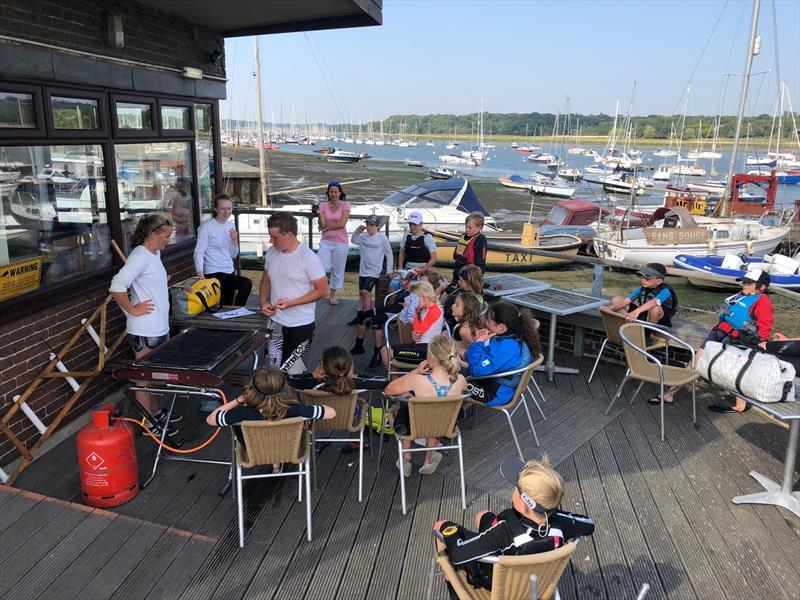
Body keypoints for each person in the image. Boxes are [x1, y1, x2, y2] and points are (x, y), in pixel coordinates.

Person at [433, 455, 594, 593]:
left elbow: (457, 554)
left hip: (497, 584)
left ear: (524, 503)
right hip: (536, 583)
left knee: (441, 526)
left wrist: (451, 534)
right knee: (482, 515)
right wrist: (558, 513)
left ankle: (450, 577)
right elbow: (589, 524)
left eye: (516, 488)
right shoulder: (559, 521)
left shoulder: (502, 532)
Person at [109, 214, 180, 437]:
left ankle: (156, 412)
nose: (169, 240)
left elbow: (147, 281)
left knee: (151, 375)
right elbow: (117, 285)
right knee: (143, 378)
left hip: (158, 325)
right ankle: (148, 423)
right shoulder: (140, 255)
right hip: (144, 328)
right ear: (153, 234)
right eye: (166, 236)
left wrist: (162, 281)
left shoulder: (154, 253)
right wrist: (132, 309)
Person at [206, 366, 335, 472]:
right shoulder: (295, 410)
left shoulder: (242, 414)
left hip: (253, 451)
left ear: (252, 389)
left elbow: (211, 419)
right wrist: (309, 415)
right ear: (284, 388)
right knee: (283, 433)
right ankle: (276, 464)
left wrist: (240, 399)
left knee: (263, 437)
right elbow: (331, 413)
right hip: (288, 448)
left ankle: (275, 464)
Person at [385, 335, 468, 476]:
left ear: (431, 357)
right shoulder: (460, 380)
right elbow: (464, 389)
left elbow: (388, 390)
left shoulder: (418, 380)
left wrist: (414, 372)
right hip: (444, 426)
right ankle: (429, 458)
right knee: (437, 409)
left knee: (407, 400)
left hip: (417, 427)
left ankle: (406, 457)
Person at [259, 213, 329, 371]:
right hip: (275, 321)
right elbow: (266, 280)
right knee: (271, 372)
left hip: (300, 324)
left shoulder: (308, 257)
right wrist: (263, 301)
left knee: (294, 373)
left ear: (289, 235)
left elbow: (323, 290)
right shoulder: (271, 252)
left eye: (274, 237)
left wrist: (292, 303)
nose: (271, 241)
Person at [705, 269, 774, 413]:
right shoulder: (741, 296)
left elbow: (765, 323)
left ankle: (740, 405)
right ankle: (671, 392)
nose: (744, 285)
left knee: (733, 369)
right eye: (744, 282)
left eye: (749, 283)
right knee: (699, 357)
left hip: (737, 338)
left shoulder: (763, 301)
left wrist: (764, 341)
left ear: (761, 287)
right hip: (720, 331)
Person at [465, 301, 541, 406]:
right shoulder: (513, 337)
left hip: (494, 394)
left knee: (453, 378)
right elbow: (486, 357)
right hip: (498, 384)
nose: (485, 323)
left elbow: (476, 370)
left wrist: (478, 343)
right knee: (458, 368)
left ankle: (457, 415)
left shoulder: (506, 348)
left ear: (501, 327)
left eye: (488, 321)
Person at [193, 193, 252, 306]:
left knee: (227, 303)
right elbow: (199, 252)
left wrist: (234, 241)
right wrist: (200, 272)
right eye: (222, 209)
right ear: (215, 209)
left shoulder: (230, 225)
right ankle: (239, 310)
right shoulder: (206, 227)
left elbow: (233, 254)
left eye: (229, 209)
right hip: (213, 271)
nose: (227, 212)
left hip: (228, 269)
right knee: (246, 284)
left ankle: (231, 317)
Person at [350, 215, 393, 355]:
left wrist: (390, 270)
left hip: (374, 271)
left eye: (371, 225)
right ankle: (361, 314)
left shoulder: (382, 238)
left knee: (366, 292)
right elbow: (353, 240)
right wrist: (357, 231)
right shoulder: (363, 237)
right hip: (363, 270)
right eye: (367, 224)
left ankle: (367, 315)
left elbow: (389, 253)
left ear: (377, 226)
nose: (369, 227)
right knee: (361, 294)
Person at [381, 280, 445, 368]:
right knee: (385, 351)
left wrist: (413, 313)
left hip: (428, 350)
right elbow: (418, 332)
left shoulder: (434, 310)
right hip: (422, 347)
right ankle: (400, 380)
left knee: (386, 352)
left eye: (415, 297)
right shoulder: (426, 308)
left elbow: (418, 330)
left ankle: (397, 380)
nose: (413, 300)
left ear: (423, 297)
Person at [607, 263, 677, 327]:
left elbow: (654, 302)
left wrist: (636, 312)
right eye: (642, 277)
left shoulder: (665, 291)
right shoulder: (641, 289)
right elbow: (625, 301)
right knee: (616, 300)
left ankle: (648, 331)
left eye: (647, 278)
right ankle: (629, 323)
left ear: (658, 281)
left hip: (658, 321)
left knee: (655, 308)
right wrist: (610, 308)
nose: (643, 280)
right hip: (642, 315)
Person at [317, 181, 351, 305]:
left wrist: (326, 227)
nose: (333, 194)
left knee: (337, 270)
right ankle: (321, 290)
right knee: (321, 267)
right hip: (326, 241)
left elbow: (342, 223)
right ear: (328, 193)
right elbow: (322, 224)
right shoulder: (323, 205)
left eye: (336, 191)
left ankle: (332, 295)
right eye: (331, 191)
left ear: (340, 192)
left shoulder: (345, 205)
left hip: (341, 243)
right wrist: (321, 217)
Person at [443, 265, 485, 330]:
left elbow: (448, 313)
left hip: (454, 328)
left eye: (460, 280)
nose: (458, 282)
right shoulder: (478, 296)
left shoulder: (465, 299)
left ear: (468, 282)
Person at [451, 211, 488, 281]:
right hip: (457, 274)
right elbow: (455, 256)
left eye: (470, 227)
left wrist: (477, 279)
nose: (467, 229)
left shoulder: (481, 240)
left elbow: (481, 263)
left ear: (479, 227)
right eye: (466, 226)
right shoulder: (463, 236)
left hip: (469, 276)